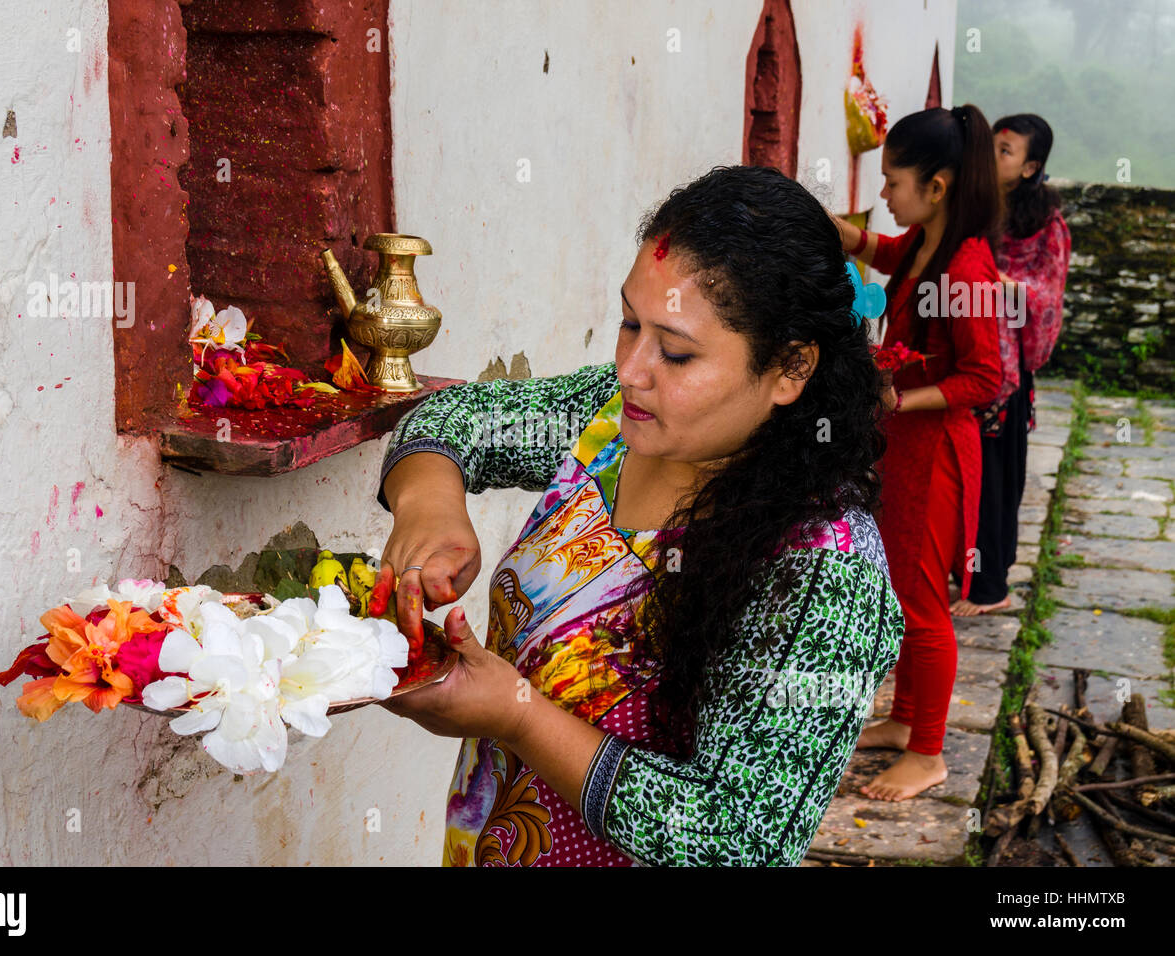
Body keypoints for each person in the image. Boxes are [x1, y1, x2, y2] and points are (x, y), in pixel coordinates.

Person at [373, 164, 904, 866]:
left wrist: (516, 715)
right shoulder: (610, 426)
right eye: (629, 324)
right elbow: (452, 421)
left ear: (790, 368)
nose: (630, 368)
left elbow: (737, 839)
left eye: (677, 352)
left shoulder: (822, 574)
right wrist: (430, 505)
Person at [834, 105, 1003, 801]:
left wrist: (902, 397)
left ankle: (929, 753)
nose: (884, 195)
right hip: (904, 450)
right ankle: (905, 721)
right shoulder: (928, 243)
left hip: (936, 456)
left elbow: (986, 379)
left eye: (894, 181)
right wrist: (819, 225)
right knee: (901, 593)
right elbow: (884, 252)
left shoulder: (966, 267)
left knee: (926, 606)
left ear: (937, 185)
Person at [952, 113, 1071, 616]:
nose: (993, 156)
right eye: (992, 146)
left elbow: (1049, 294)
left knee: (996, 477)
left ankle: (989, 585)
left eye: (1006, 150)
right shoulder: (975, 207)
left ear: (1030, 168)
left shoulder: (1047, 225)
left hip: (1005, 373)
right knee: (961, 470)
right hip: (967, 355)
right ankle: (958, 569)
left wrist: (1005, 286)